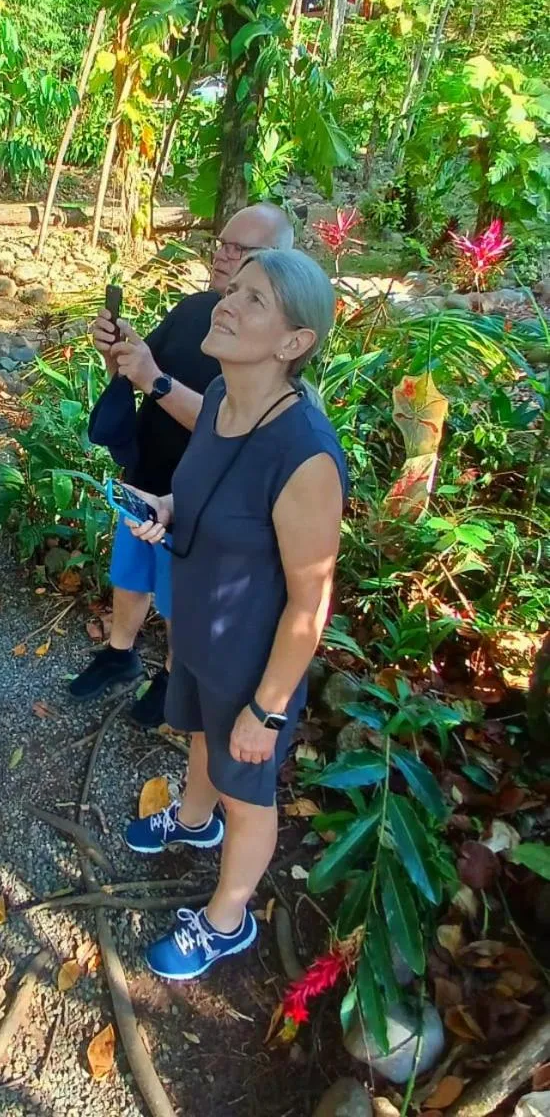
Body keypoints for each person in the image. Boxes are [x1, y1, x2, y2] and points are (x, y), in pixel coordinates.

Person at [119, 249, 347, 981]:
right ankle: (192, 819)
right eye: (234, 289)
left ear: (293, 343)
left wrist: (269, 711)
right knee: (197, 739)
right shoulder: (221, 397)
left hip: (256, 661)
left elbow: (310, 603)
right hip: (199, 630)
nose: (228, 303)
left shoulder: (304, 454)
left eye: (255, 300)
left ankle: (227, 919)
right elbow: (213, 498)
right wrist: (165, 508)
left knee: (247, 788)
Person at [69, 203, 295, 725]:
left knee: (179, 593)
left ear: (281, 264)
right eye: (223, 243)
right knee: (132, 571)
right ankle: (120, 653)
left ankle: (173, 676)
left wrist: (152, 379)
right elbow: (147, 368)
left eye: (243, 250)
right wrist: (119, 353)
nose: (225, 255)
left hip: (201, 493)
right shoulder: (199, 308)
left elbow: (234, 426)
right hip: (148, 473)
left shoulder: (273, 344)